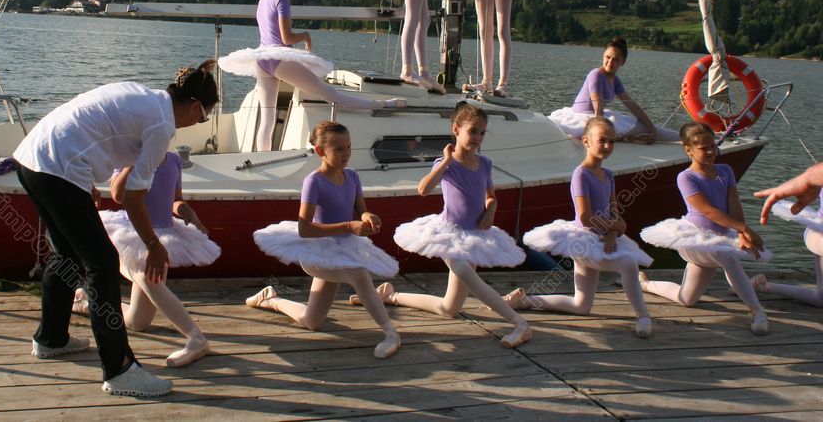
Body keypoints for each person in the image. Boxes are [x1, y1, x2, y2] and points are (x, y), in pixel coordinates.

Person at [12, 61, 219, 397]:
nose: (197, 123)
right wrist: (153, 245)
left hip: (33, 157)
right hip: (58, 166)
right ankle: (119, 369)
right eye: (203, 117)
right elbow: (133, 199)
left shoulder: (145, 97)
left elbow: (90, 127)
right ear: (196, 106)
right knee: (103, 264)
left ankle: (51, 338)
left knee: (66, 252)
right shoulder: (162, 125)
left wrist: (82, 183)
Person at [350, 102, 532, 348]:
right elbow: (423, 189)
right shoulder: (447, 164)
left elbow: (490, 197)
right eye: (472, 131)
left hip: (475, 235)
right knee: (466, 273)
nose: (477, 137)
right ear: (456, 130)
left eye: (482, 132)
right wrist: (446, 161)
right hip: (450, 235)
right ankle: (519, 324)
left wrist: (491, 210)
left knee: (450, 308)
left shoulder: (484, 164)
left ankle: (390, 296)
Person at [246, 121, 401, 359]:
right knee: (360, 275)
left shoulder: (352, 176)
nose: (346, 154)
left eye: (348, 147)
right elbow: (305, 229)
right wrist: (348, 226)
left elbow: (360, 210)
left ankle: (270, 300)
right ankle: (391, 333)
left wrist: (367, 216)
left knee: (312, 321)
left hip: (345, 249)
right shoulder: (314, 181)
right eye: (339, 149)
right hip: (319, 252)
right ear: (320, 151)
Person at [220, 0, 404, 151]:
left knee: (267, 117)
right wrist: (305, 35)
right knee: (332, 95)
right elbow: (286, 38)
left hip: (262, 59)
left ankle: (260, 157)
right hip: (279, 58)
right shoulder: (282, 0)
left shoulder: (262, 1)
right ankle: (383, 105)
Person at [505, 117, 654, 338]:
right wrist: (616, 225)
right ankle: (643, 316)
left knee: (581, 306)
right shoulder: (581, 174)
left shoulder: (608, 174)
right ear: (586, 141)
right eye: (602, 140)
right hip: (585, 240)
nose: (607, 146)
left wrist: (613, 232)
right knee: (629, 265)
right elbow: (585, 217)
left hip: (603, 238)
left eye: (612, 141)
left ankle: (525, 300)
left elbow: (613, 209)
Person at [73, 151, 219, 367]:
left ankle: (87, 301)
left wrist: (186, 211)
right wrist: (131, 165)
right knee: (150, 279)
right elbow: (118, 195)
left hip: (163, 236)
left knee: (137, 321)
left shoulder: (174, 160)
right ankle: (197, 339)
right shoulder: (128, 156)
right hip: (133, 234)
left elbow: (175, 199)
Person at [639, 121, 770, 334]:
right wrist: (745, 229)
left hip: (720, 235)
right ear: (688, 150)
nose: (710, 152)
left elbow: (734, 204)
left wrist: (741, 232)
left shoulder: (725, 170)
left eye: (713, 146)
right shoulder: (686, 177)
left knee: (687, 298)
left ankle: (645, 285)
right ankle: (757, 312)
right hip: (696, 239)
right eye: (703, 148)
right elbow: (708, 211)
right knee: (727, 256)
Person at [548, 36, 677, 143]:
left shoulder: (615, 81)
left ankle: (681, 136)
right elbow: (597, 106)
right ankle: (629, 138)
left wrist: (652, 128)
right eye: (608, 57)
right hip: (584, 118)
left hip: (601, 114)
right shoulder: (596, 75)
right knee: (631, 129)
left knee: (645, 127)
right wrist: (599, 133)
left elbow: (632, 105)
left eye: (615, 59)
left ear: (623, 62)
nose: (610, 62)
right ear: (603, 56)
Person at [751, 163, 823, 306]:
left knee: (821, 298)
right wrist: (807, 179)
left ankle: (760, 286)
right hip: (818, 232)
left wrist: (807, 179)